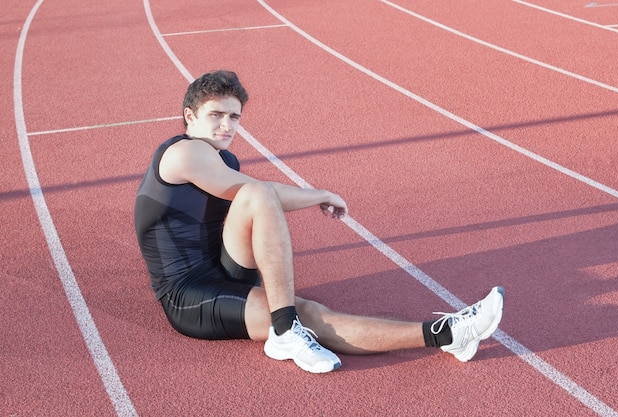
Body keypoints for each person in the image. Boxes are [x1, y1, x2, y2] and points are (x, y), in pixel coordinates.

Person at [134, 70, 504, 373]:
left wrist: (315, 195)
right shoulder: (184, 154)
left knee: (258, 196)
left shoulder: (223, 159)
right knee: (309, 311)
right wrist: (321, 195)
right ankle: (447, 333)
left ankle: (285, 327)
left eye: (234, 117)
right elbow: (267, 194)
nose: (227, 126)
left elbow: (257, 199)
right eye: (216, 115)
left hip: (223, 267)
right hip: (189, 296)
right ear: (190, 116)